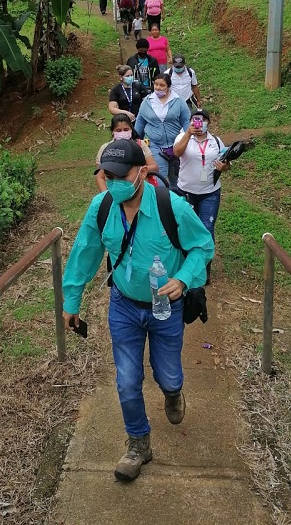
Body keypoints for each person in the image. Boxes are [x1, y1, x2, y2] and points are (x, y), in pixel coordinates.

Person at [62, 139, 214, 481]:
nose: (113, 182)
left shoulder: (171, 207)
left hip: (166, 308)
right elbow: (84, 253)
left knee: (168, 375)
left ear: (142, 173)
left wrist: (183, 279)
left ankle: (172, 392)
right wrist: (71, 302)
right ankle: (138, 444)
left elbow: (203, 246)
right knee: (127, 380)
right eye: (108, 176)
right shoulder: (101, 207)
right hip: (124, 307)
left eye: (121, 175)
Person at [173, 108, 230, 284]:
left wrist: (224, 167)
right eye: (195, 119)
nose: (199, 123)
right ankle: (186, 267)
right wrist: (188, 133)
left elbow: (226, 162)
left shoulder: (216, 141)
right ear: (190, 121)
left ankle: (204, 271)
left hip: (210, 193)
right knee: (186, 228)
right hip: (186, 191)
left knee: (207, 230)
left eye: (203, 119)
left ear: (208, 122)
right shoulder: (182, 137)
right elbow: (176, 152)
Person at [134, 73, 191, 189]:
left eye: (162, 85)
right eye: (156, 84)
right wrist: (133, 139)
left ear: (168, 87)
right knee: (159, 180)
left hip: (176, 145)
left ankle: (177, 198)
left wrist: (189, 138)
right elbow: (140, 121)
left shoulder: (178, 101)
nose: (158, 87)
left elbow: (186, 121)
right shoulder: (147, 102)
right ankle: (160, 198)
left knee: (177, 178)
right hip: (155, 145)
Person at [94, 114, 158, 192]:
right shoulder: (106, 149)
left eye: (126, 129)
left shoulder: (140, 145)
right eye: (118, 130)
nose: (123, 133)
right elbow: (100, 176)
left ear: (131, 129)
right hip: (115, 191)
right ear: (112, 131)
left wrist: (137, 171)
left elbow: (154, 168)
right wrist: (106, 196)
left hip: (141, 190)